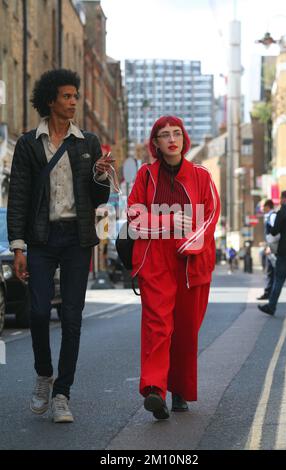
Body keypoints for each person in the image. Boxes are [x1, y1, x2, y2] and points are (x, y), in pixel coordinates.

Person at [7, 69, 111, 423]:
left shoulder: (88, 142)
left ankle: (62, 393)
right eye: (66, 96)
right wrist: (18, 246)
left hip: (77, 238)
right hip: (40, 239)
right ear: (50, 99)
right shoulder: (28, 144)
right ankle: (43, 375)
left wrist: (100, 175)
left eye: (75, 96)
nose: (72, 102)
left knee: (71, 317)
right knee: (37, 311)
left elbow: (99, 197)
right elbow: (19, 196)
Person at [127, 116, 220, 419]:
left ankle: (179, 389)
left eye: (176, 133)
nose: (171, 139)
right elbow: (134, 218)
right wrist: (168, 222)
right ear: (155, 143)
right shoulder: (144, 175)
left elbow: (211, 214)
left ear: (184, 138)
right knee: (158, 325)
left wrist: (191, 241)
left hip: (192, 260)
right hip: (154, 258)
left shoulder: (201, 175)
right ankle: (154, 388)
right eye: (164, 135)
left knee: (185, 329)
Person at [258, 191, 286, 316]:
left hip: (284, 252)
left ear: (285, 200)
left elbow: (275, 231)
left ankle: (271, 307)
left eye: (281, 198)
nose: (280, 200)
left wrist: (270, 227)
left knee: (279, 280)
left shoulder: (282, 212)